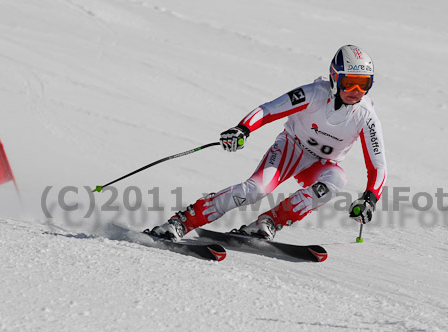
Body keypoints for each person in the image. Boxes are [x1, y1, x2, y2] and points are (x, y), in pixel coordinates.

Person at [149, 44, 387, 241]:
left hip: (321, 164)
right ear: (335, 78)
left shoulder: (366, 117)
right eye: (349, 82)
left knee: (336, 180)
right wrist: (242, 129)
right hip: (290, 150)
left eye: (364, 84)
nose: (356, 91)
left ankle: (268, 222)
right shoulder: (314, 93)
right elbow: (269, 110)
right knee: (255, 190)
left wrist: (370, 198)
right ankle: (182, 222)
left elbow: (378, 165)